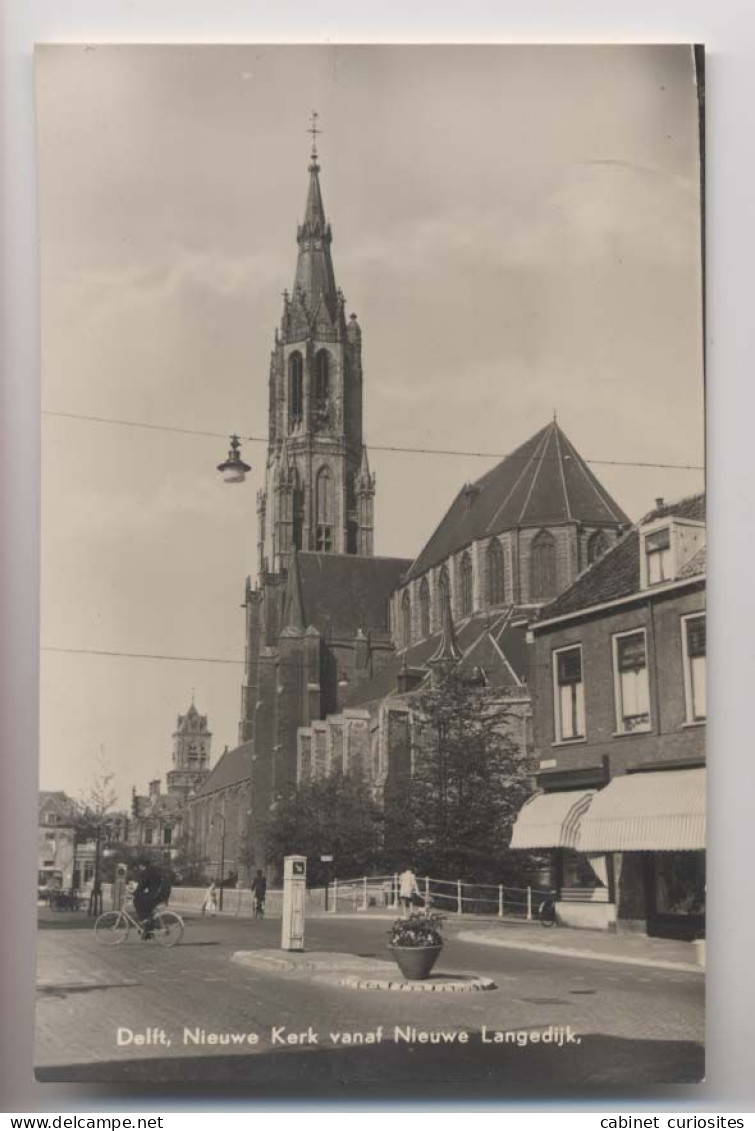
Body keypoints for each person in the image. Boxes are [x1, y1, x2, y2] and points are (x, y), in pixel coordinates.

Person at [133, 861, 169, 937]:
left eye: (140, 866)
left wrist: (134, 893)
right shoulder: (155, 871)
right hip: (161, 895)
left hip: (154, 895)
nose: (140, 868)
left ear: (142, 865)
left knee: (136, 901)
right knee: (147, 909)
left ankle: (146, 922)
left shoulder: (147, 872)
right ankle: (147, 931)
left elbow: (142, 885)